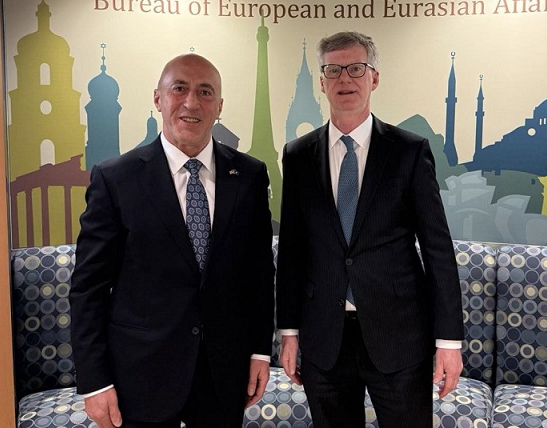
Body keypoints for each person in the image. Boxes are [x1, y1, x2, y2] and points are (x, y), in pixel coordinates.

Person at [70, 54, 276, 428]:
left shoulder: (249, 175)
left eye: (205, 92)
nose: (191, 103)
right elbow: (89, 288)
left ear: (219, 106)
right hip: (141, 374)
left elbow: (259, 274)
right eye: (179, 88)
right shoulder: (115, 179)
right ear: (158, 98)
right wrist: (94, 381)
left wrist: (261, 351)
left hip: (223, 373)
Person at [276, 32, 464, 427]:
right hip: (324, 338)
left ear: (374, 78)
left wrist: (448, 341)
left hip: (399, 336)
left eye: (356, 68)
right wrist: (288, 331)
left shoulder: (408, 151)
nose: (345, 78)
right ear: (322, 82)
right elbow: (292, 250)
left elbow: (437, 249)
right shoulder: (298, 155)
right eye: (333, 70)